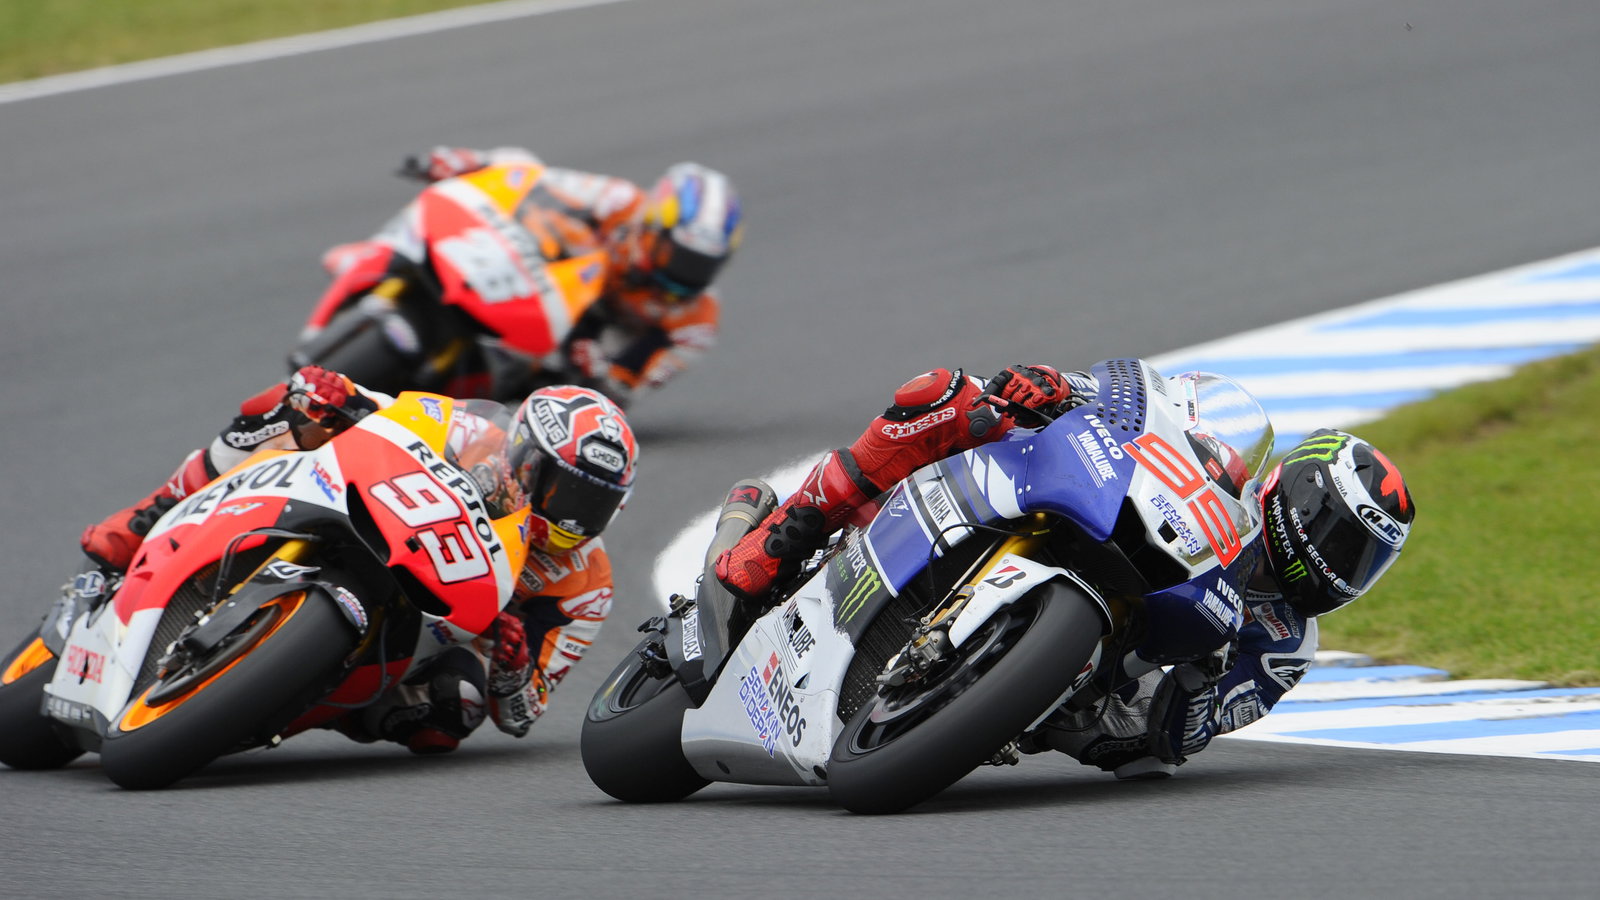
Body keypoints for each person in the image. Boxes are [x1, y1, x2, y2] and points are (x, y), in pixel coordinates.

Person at [713, 362, 1416, 779]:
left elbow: (1184, 737)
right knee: (947, 396)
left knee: (1136, 757)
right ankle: (781, 534)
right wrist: (1058, 387)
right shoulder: (1229, 473)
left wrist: (1206, 672)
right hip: (1092, 526)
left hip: (1106, 697)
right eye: (1343, 541)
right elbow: (1142, 414)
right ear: (1299, 498)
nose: (1343, 566)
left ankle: (984, 702)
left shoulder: (1289, 643)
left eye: (1365, 561)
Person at [80, 365, 639, 754]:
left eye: (594, 503)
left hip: (432, 629)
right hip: (377, 516)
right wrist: (337, 394)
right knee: (285, 406)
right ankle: (147, 517)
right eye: (563, 490)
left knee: (454, 712)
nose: (573, 516)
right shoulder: (474, 433)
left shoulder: (586, 584)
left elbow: (522, 714)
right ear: (523, 454)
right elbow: (390, 413)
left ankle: (279, 700)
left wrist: (514, 669)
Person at [322, 145, 743, 408]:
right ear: (653, 226)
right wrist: (470, 163)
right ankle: (376, 264)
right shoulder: (618, 202)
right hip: (528, 276)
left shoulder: (695, 322)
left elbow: (631, 388)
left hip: (570, 352)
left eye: (702, 265)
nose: (686, 275)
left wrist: (600, 374)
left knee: (526, 401)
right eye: (681, 256)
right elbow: (529, 177)